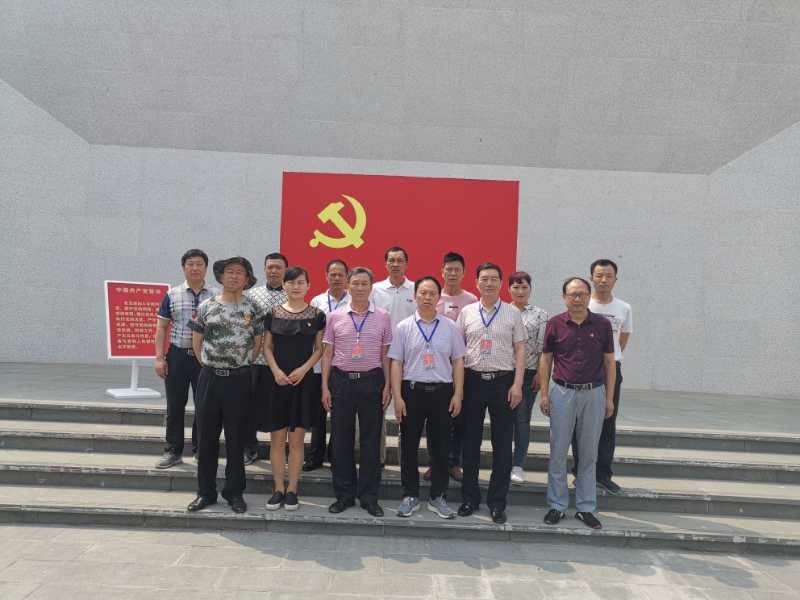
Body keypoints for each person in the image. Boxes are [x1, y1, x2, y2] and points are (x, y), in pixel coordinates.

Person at [187, 257, 264, 514]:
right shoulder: (207, 306)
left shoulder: (253, 308)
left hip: (239, 380)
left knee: (236, 438)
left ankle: (234, 492)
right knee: (206, 438)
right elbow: (196, 341)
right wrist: (210, 365)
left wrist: (239, 364)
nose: (233, 276)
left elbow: (258, 343)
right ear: (220, 276)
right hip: (210, 379)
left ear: (247, 278)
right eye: (229, 271)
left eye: (239, 272)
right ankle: (205, 492)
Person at [540, 277, 615, 530]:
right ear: (564, 297)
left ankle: (585, 507)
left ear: (588, 296)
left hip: (594, 393)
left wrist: (609, 398)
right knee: (558, 451)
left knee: (588, 453)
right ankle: (557, 505)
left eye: (582, 293)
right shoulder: (555, 324)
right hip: (562, 392)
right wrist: (544, 394)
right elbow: (546, 359)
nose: (577, 298)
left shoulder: (602, 325)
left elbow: (609, 362)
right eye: (572, 294)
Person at [389, 276, 465, 519]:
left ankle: (437, 496)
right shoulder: (403, 327)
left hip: (442, 392)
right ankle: (410, 495)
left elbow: (458, 361)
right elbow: (396, 362)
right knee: (408, 446)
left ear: (439, 297)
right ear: (415, 296)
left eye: (432, 293)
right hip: (411, 392)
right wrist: (397, 396)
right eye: (423, 293)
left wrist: (458, 394)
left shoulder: (450, 327)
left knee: (441, 447)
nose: (427, 297)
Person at [456, 262, 526, 525]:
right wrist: (458, 387)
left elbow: (520, 349)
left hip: (503, 382)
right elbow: (458, 351)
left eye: (494, 279)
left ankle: (497, 502)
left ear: (501, 283)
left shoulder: (512, 313)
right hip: (473, 381)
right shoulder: (467, 312)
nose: (489, 283)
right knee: (470, 443)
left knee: (502, 445)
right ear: (476, 283)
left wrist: (517, 385)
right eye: (484, 278)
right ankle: (470, 498)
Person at [322, 267, 392, 517]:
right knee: (341, 440)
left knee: (370, 441)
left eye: (364, 284)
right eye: (356, 283)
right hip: (341, 382)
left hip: (372, 381)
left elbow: (386, 355)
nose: (360, 288)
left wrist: (388, 385)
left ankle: (369, 497)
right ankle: (344, 495)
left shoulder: (383, 316)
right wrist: (325, 387)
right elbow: (327, 354)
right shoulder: (335, 316)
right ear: (348, 286)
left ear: (371, 287)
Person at [259, 267, 326, 511]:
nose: (296, 287)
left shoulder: (317, 314)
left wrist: (304, 369)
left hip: (302, 382)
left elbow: (319, 349)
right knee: (277, 440)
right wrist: (276, 371)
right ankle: (278, 489)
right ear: (284, 286)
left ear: (308, 285)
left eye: (300, 282)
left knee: (297, 441)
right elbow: (267, 347)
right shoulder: (272, 313)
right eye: (291, 283)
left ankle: (292, 490)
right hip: (276, 381)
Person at [571, 259, 633, 494]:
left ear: (616, 279)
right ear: (591, 278)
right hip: (583, 370)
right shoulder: (584, 304)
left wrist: (610, 361)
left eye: (608, 276)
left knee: (608, 421)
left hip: (610, 370)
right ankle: (580, 472)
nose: (603, 280)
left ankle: (603, 474)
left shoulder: (623, 308)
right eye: (598, 275)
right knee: (580, 424)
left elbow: (622, 339)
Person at [153, 249, 219, 469]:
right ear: (183, 268)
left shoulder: (217, 295)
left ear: (206, 268)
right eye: (190, 264)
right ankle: (173, 450)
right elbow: (161, 328)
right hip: (178, 356)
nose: (195, 268)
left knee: (205, 405)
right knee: (175, 405)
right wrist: (159, 358)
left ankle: (202, 450)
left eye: (199, 264)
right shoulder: (172, 294)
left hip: (206, 358)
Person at [424, 251, 477, 482]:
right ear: (442, 272)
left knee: (458, 418)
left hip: (461, 366)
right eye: (449, 269)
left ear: (463, 273)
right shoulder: (434, 297)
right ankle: (434, 463)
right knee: (433, 419)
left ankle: (454, 462)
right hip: (433, 368)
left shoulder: (471, 300)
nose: (453, 273)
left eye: (457, 270)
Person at [304, 259, 351, 472]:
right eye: (333, 274)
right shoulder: (317, 301)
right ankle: (315, 456)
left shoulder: (353, 300)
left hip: (343, 365)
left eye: (341, 274)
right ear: (326, 276)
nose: (337, 278)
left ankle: (335, 456)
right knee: (318, 415)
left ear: (347, 277)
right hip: (319, 365)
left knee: (340, 415)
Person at [244, 252, 288, 465]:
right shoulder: (251, 295)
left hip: (280, 364)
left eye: (278, 267)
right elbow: (245, 324)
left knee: (278, 408)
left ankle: (278, 450)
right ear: (264, 269)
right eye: (270, 267)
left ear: (285, 270)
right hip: (253, 361)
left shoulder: (292, 296)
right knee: (248, 406)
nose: (274, 271)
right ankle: (249, 448)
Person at [508, 271, 549, 484]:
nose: (520, 291)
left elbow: (544, 349)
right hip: (504, 373)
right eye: (516, 287)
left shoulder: (540, 315)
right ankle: (503, 461)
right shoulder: (502, 311)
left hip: (529, 374)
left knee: (522, 419)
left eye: (524, 287)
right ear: (509, 289)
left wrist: (541, 376)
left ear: (530, 289)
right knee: (504, 420)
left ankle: (518, 464)